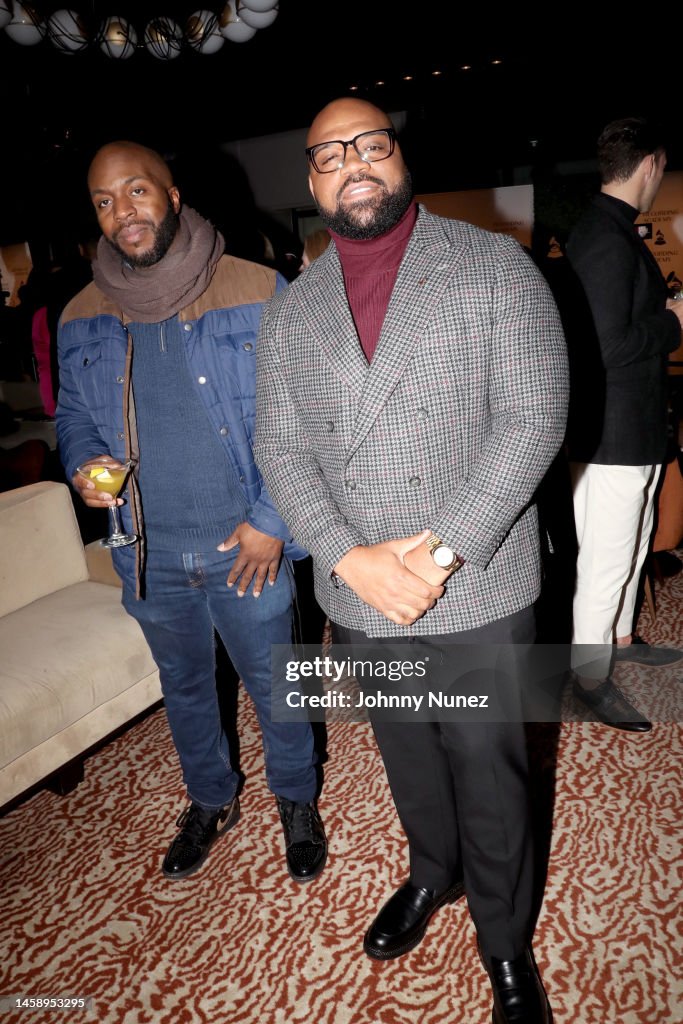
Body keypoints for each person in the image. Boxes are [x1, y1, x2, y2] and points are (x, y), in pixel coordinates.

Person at [254, 98, 568, 1024]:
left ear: (398, 159)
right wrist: (351, 560)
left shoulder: (490, 266)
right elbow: (280, 448)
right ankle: (432, 874)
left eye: (370, 144)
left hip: (474, 577)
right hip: (358, 591)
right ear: (310, 181)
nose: (350, 161)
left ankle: (504, 940)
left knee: (487, 762)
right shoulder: (294, 307)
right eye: (327, 153)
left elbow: (532, 419)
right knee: (405, 752)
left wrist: (432, 553)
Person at [55, 141, 327, 884]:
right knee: (184, 690)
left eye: (136, 192)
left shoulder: (256, 287)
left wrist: (274, 521)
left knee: (276, 684)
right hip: (146, 550)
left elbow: (302, 419)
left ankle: (295, 799)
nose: (123, 213)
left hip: (245, 542)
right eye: (105, 202)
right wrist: (81, 463)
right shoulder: (80, 313)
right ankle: (210, 800)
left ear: (173, 197)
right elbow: (72, 415)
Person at [564, 117, 683, 732]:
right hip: (611, 434)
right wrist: (674, 323)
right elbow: (606, 346)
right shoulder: (606, 239)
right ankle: (588, 679)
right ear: (652, 164)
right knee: (607, 562)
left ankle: (616, 641)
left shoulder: (608, 230)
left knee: (631, 549)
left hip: (627, 429)